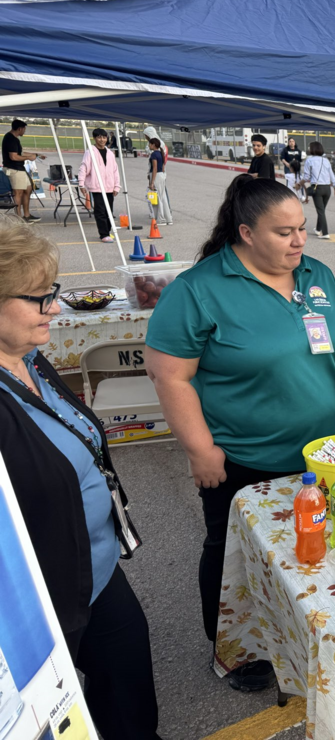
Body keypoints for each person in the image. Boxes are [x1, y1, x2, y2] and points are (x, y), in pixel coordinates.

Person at [144, 175, 335, 689]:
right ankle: (238, 650)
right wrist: (202, 451)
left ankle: (315, 630)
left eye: (303, 230)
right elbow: (169, 374)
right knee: (234, 556)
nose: (298, 242)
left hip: (326, 453)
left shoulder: (317, 274)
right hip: (246, 457)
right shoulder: (199, 289)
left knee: (320, 544)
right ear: (245, 232)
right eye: (283, 232)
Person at [0, 224, 161, 738]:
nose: (54, 307)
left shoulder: (29, 356)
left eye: (53, 293)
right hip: (42, 590)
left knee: (127, 670)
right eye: (38, 297)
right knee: (54, 713)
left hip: (95, 564)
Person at [78, 127, 120, 243]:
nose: (102, 140)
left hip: (109, 187)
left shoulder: (110, 153)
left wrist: (116, 186)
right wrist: (81, 184)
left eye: (104, 137)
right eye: (99, 137)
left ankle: (108, 232)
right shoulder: (90, 152)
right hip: (97, 187)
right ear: (95, 138)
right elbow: (84, 167)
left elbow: (115, 170)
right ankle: (103, 234)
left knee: (109, 212)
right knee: (100, 211)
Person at [2, 118, 46, 222]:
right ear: (20, 129)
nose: (24, 131)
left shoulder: (14, 139)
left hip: (19, 169)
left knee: (28, 189)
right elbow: (14, 157)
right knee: (18, 193)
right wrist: (29, 158)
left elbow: (20, 153)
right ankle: (19, 218)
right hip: (14, 170)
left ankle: (27, 215)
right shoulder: (10, 139)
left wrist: (36, 155)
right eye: (24, 129)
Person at [299, 140, 335, 239]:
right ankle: (318, 229)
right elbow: (332, 175)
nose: (309, 149)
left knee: (320, 211)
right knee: (321, 210)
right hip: (327, 189)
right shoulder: (326, 160)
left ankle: (325, 233)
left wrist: (299, 184)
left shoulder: (309, 160)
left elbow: (307, 176)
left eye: (310, 147)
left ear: (313, 149)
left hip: (317, 188)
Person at [148, 138, 173, 226]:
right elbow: (162, 167)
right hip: (161, 175)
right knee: (163, 197)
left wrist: (152, 182)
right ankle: (168, 218)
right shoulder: (161, 153)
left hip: (157, 176)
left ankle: (161, 219)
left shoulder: (154, 155)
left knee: (158, 198)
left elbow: (154, 168)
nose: (149, 146)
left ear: (153, 145)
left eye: (150, 144)